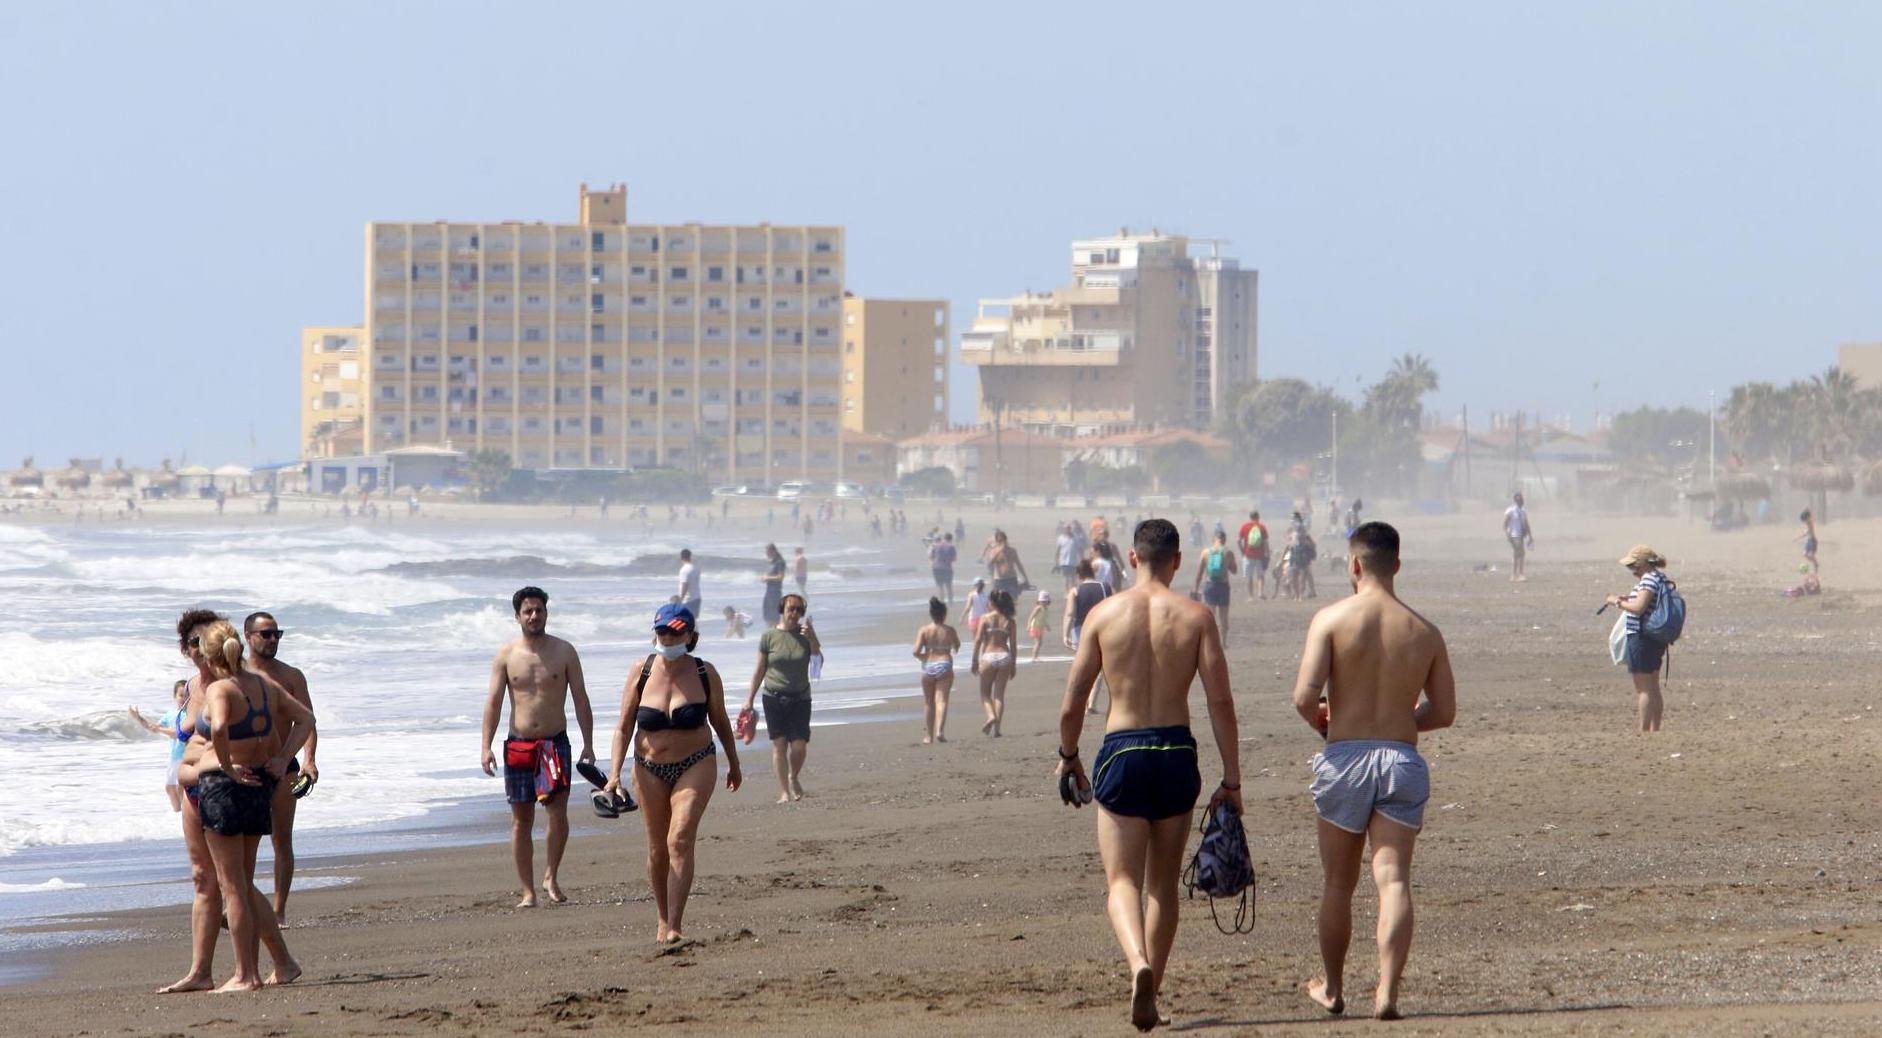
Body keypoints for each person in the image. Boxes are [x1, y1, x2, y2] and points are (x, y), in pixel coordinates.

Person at [1054, 519, 1242, 1032]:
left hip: (1123, 750)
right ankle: (1152, 988)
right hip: (1176, 750)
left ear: (1133, 558)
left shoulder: (1103, 614)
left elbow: (1073, 702)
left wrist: (1069, 755)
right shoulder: (1197, 617)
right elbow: (1221, 703)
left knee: (1122, 881)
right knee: (1162, 886)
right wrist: (1232, 780)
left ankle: (1137, 962)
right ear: (1177, 561)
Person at [1291, 521, 1456, 1021]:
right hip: (1401, 759)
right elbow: (1444, 711)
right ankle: (1387, 992)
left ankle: (1334, 987)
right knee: (1394, 881)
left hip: (1345, 757)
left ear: (1355, 565)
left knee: (1338, 884)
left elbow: (1304, 696)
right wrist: (1402, 720)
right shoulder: (1424, 631)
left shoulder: (1331, 620)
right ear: (1397, 565)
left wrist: (1325, 721)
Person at [191, 617, 316, 992]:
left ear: (210, 656)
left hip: (226, 789)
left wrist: (226, 766)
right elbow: (305, 719)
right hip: (259, 785)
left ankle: (245, 974)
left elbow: (218, 727)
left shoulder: (222, 688)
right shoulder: (263, 684)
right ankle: (270, 966)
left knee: (232, 887)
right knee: (243, 883)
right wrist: (282, 759)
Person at [604, 605, 741, 944]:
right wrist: (613, 774)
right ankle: (662, 918)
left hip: (696, 763)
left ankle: (676, 924)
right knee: (657, 848)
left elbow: (720, 720)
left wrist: (734, 763)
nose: (667, 638)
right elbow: (623, 727)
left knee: (678, 839)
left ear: (690, 636)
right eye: (662, 631)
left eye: (675, 632)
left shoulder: (704, 672)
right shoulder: (642, 671)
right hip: (648, 767)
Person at [480, 586, 596, 908]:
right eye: (527, 611)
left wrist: (588, 743)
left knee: (557, 814)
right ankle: (527, 891)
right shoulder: (506, 655)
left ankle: (551, 876)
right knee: (522, 820)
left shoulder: (565, 651)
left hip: (554, 743)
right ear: (517, 616)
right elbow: (493, 702)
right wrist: (486, 746)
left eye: (538, 610)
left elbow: (581, 698)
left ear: (546, 613)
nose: (534, 616)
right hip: (519, 745)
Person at [243, 611, 317, 921]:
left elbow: (308, 721)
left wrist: (309, 760)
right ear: (248, 637)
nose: (273, 639)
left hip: (284, 766)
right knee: (245, 842)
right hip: (247, 769)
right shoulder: (235, 674)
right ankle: (241, 904)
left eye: (277, 634)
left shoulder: (291, 676)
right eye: (266, 634)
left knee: (282, 839)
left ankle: (279, 911)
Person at [743, 594, 820, 803]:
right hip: (773, 696)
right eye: (790, 608)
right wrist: (749, 698)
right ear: (782, 609)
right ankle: (784, 791)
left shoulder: (805, 635)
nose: (794, 613)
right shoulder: (769, 636)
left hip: (800, 697)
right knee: (779, 745)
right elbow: (760, 669)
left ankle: (793, 777)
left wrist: (812, 638)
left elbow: (817, 665)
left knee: (799, 745)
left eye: (798, 610)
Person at [1606, 545, 1671, 733]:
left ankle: (1643, 730)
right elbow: (1647, 603)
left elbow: (1639, 608)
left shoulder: (1649, 579)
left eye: (1632, 566)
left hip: (1643, 637)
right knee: (1653, 686)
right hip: (1655, 638)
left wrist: (1616, 602)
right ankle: (1654, 729)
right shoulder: (1659, 578)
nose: (1632, 570)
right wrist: (1629, 599)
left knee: (1643, 688)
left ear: (1641, 564)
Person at [128, 679, 191, 812]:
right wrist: (139, 718)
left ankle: (186, 814)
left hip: (186, 756)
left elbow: (178, 734)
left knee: (181, 787)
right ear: (174, 697)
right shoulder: (170, 714)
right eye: (180, 695)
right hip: (174, 756)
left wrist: (160, 729)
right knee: (169, 787)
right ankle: (176, 813)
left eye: (186, 695)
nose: (183, 698)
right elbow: (153, 728)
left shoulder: (189, 715)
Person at [912, 597, 961, 744]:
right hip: (944, 664)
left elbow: (915, 651)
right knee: (942, 700)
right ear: (944, 614)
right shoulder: (950, 630)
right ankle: (940, 731)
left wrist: (924, 657)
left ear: (931, 614)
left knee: (928, 702)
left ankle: (929, 736)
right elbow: (957, 645)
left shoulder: (924, 630)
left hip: (928, 666)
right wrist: (953, 649)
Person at [972, 589, 1019, 737]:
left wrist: (974, 660)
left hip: (989, 656)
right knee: (999, 695)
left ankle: (991, 715)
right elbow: (1013, 645)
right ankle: (997, 730)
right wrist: (1013, 664)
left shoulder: (985, 618)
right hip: (1004, 656)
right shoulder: (1010, 621)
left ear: (992, 602)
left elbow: (978, 640)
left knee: (985, 693)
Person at [1190, 530, 1240, 646]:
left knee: (1210, 616)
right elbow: (1234, 570)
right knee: (1223, 616)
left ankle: (1211, 642)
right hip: (1223, 586)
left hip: (1210, 585)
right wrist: (1226, 565)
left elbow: (1199, 572)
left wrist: (1195, 588)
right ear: (1224, 539)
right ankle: (1223, 642)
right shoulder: (1228, 552)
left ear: (1214, 539)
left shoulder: (1205, 552)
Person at [987, 529, 1030, 601]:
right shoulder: (993, 551)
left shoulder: (1012, 550)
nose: (1002, 542)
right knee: (999, 601)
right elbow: (990, 563)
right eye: (1000, 541)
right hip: (999, 580)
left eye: (1003, 540)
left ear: (1005, 540)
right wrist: (999, 550)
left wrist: (1026, 578)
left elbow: (1019, 565)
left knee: (1013, 600)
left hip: (1011, 579)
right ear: (997, 541)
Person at [1238, 510, 1270, 603]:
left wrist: (1242, 551)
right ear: (1258, 517)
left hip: (1248, 554)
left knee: (1249, 576)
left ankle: (1251, 596)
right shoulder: (1262, 527)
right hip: (1260, 555)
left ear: (1250, 517)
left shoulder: (1245, 526)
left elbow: (1238, 541)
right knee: (1260, 575)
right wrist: (1267, 554)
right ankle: (1260, 592)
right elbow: (1265, 543)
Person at [1503, 492, 1534, 582]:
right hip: (1514, 535)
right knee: (1519, 554)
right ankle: (1517, 574)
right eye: (1518, 500)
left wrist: (1530, 536)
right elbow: (1505, 524)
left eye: (1521, 499)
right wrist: (1507, 534)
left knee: (1519, 554)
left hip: (1521, 535)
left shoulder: (1523, 511)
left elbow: (1526, 524)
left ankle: (1516, 574)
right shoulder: (1511, 510)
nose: (1520, 501)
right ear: (1515, 500)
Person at [760, 543, 786, 626]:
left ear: (773, 551)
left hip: (775, 592)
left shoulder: (780, 562)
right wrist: (765, 578)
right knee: (767, 615)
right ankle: (771, 631)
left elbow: (780, 577)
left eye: (768, 552)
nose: (767, 554)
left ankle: (775, 631)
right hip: (769, 591)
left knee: (774, 617)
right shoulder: (772, 562)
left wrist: (767, 578)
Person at [930, 532, 959, 605]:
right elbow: (954, 559)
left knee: (940, 586)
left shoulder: (936, 545)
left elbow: (931, 556)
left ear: (944, 537)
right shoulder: (951, 546)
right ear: (951, 539)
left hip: (936, 567)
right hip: (947, 568)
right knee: (949, 585)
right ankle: (950, 602)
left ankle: (942, 602)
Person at [1026, 591, 1051, 661]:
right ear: (1039, 601)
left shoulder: (1046, 609)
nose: (1044, 603)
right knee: (1038, 642)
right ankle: (1034, 657)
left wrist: (1047, 626)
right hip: (1035, 627)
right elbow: (1031, 616)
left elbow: (1043, 619)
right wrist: (1028, 625)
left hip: (1040, 627)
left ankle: (1035, 656)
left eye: (1045, 601)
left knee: (1039, 642)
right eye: (1042, 601)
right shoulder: (1038, 608)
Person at [677, 548, 702, 619]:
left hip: (688, 599)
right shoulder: (696, 568)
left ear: (681, 557)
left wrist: (680, 599)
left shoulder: (684, 570)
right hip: (697, 597)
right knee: (693, 620)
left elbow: (685, 585)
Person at [1796, 509, 1818, 574]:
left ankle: (1816, 565)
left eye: (1805, 520)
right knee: (1805, 554)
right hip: (1809, 540)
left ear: (1808, 518)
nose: (1804, 522)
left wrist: (1799, 537)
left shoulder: (1810, 523)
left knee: (1811, 555)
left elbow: (1807, 532)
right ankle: (1815, 563)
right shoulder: (1808, 522)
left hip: (1813, 541)